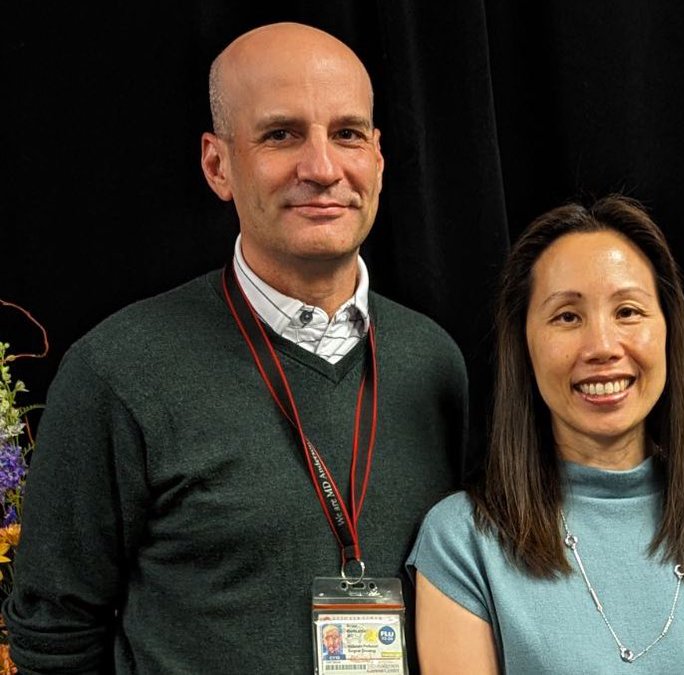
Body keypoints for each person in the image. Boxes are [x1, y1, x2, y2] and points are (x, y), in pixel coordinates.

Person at [2, 22, 467, 673]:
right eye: (281, 135)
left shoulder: (436, 364)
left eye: (347, 133)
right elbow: (54, 635)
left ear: (380, 159)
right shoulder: (117, 372)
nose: (323, 167)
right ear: (217, 164)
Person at [407, 195, 684, 673]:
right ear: (523, 344)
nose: (603, 347)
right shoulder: (462, 540)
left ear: (669, 331)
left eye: (628, 312)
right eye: (567, 316)